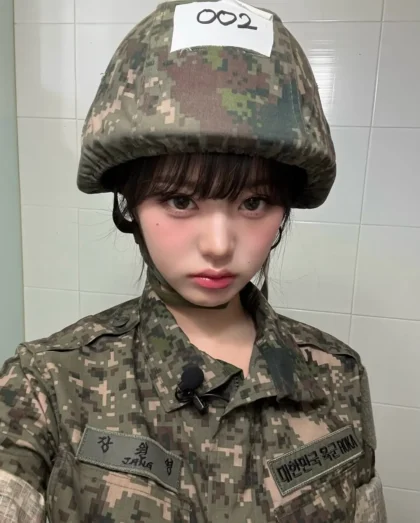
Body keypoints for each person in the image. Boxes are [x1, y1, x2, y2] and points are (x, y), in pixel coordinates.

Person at [0, 1, 387, 521]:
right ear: (130, 205)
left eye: (254, 202)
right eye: (181, 201)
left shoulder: (336, 377)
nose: (220, 245)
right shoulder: (49, 384)